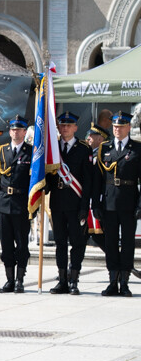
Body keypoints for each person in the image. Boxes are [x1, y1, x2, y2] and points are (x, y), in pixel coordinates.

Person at [47, 112, 94, 295]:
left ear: (75, 127)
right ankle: (62, 281)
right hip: (57, 203)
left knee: (77, 242)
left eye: (69, 125)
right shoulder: (53, 148)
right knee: (60, 243)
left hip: (75, 203)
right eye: (62, 125)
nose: (65, 128)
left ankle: (74, 279)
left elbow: (88, 181)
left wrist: (84, 207)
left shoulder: (84, 149)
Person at [96, 112, 141, 296]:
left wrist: (140, 204)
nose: (117, 129)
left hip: (129, 201)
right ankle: (112, 280)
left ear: (128, 128)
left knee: (128, 243)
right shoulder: (104, 148)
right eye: (115, 126)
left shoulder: (137, 149)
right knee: (111, 242)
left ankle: (125, 281)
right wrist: (96, 204)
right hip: (109, 202)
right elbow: (98, 180)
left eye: (121, 126)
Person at [0, 114, 33, 293]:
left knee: (22, 245)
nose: (15, 132)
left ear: (25, 132)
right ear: (9, 132)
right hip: (4, 203)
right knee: (6, 245)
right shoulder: (2, 151)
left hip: (22, 203)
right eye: (13, 129)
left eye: (19, 129)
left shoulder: (31, 152)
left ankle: (19, 280)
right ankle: (9, 279)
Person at [86, 122, 110, 254]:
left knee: (100, 235)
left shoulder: (101, 156)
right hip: (86, 201)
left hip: (99, 200)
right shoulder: (87, 154)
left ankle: (117, 266)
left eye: (91, 135)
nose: (88, 138)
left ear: (100, 139)